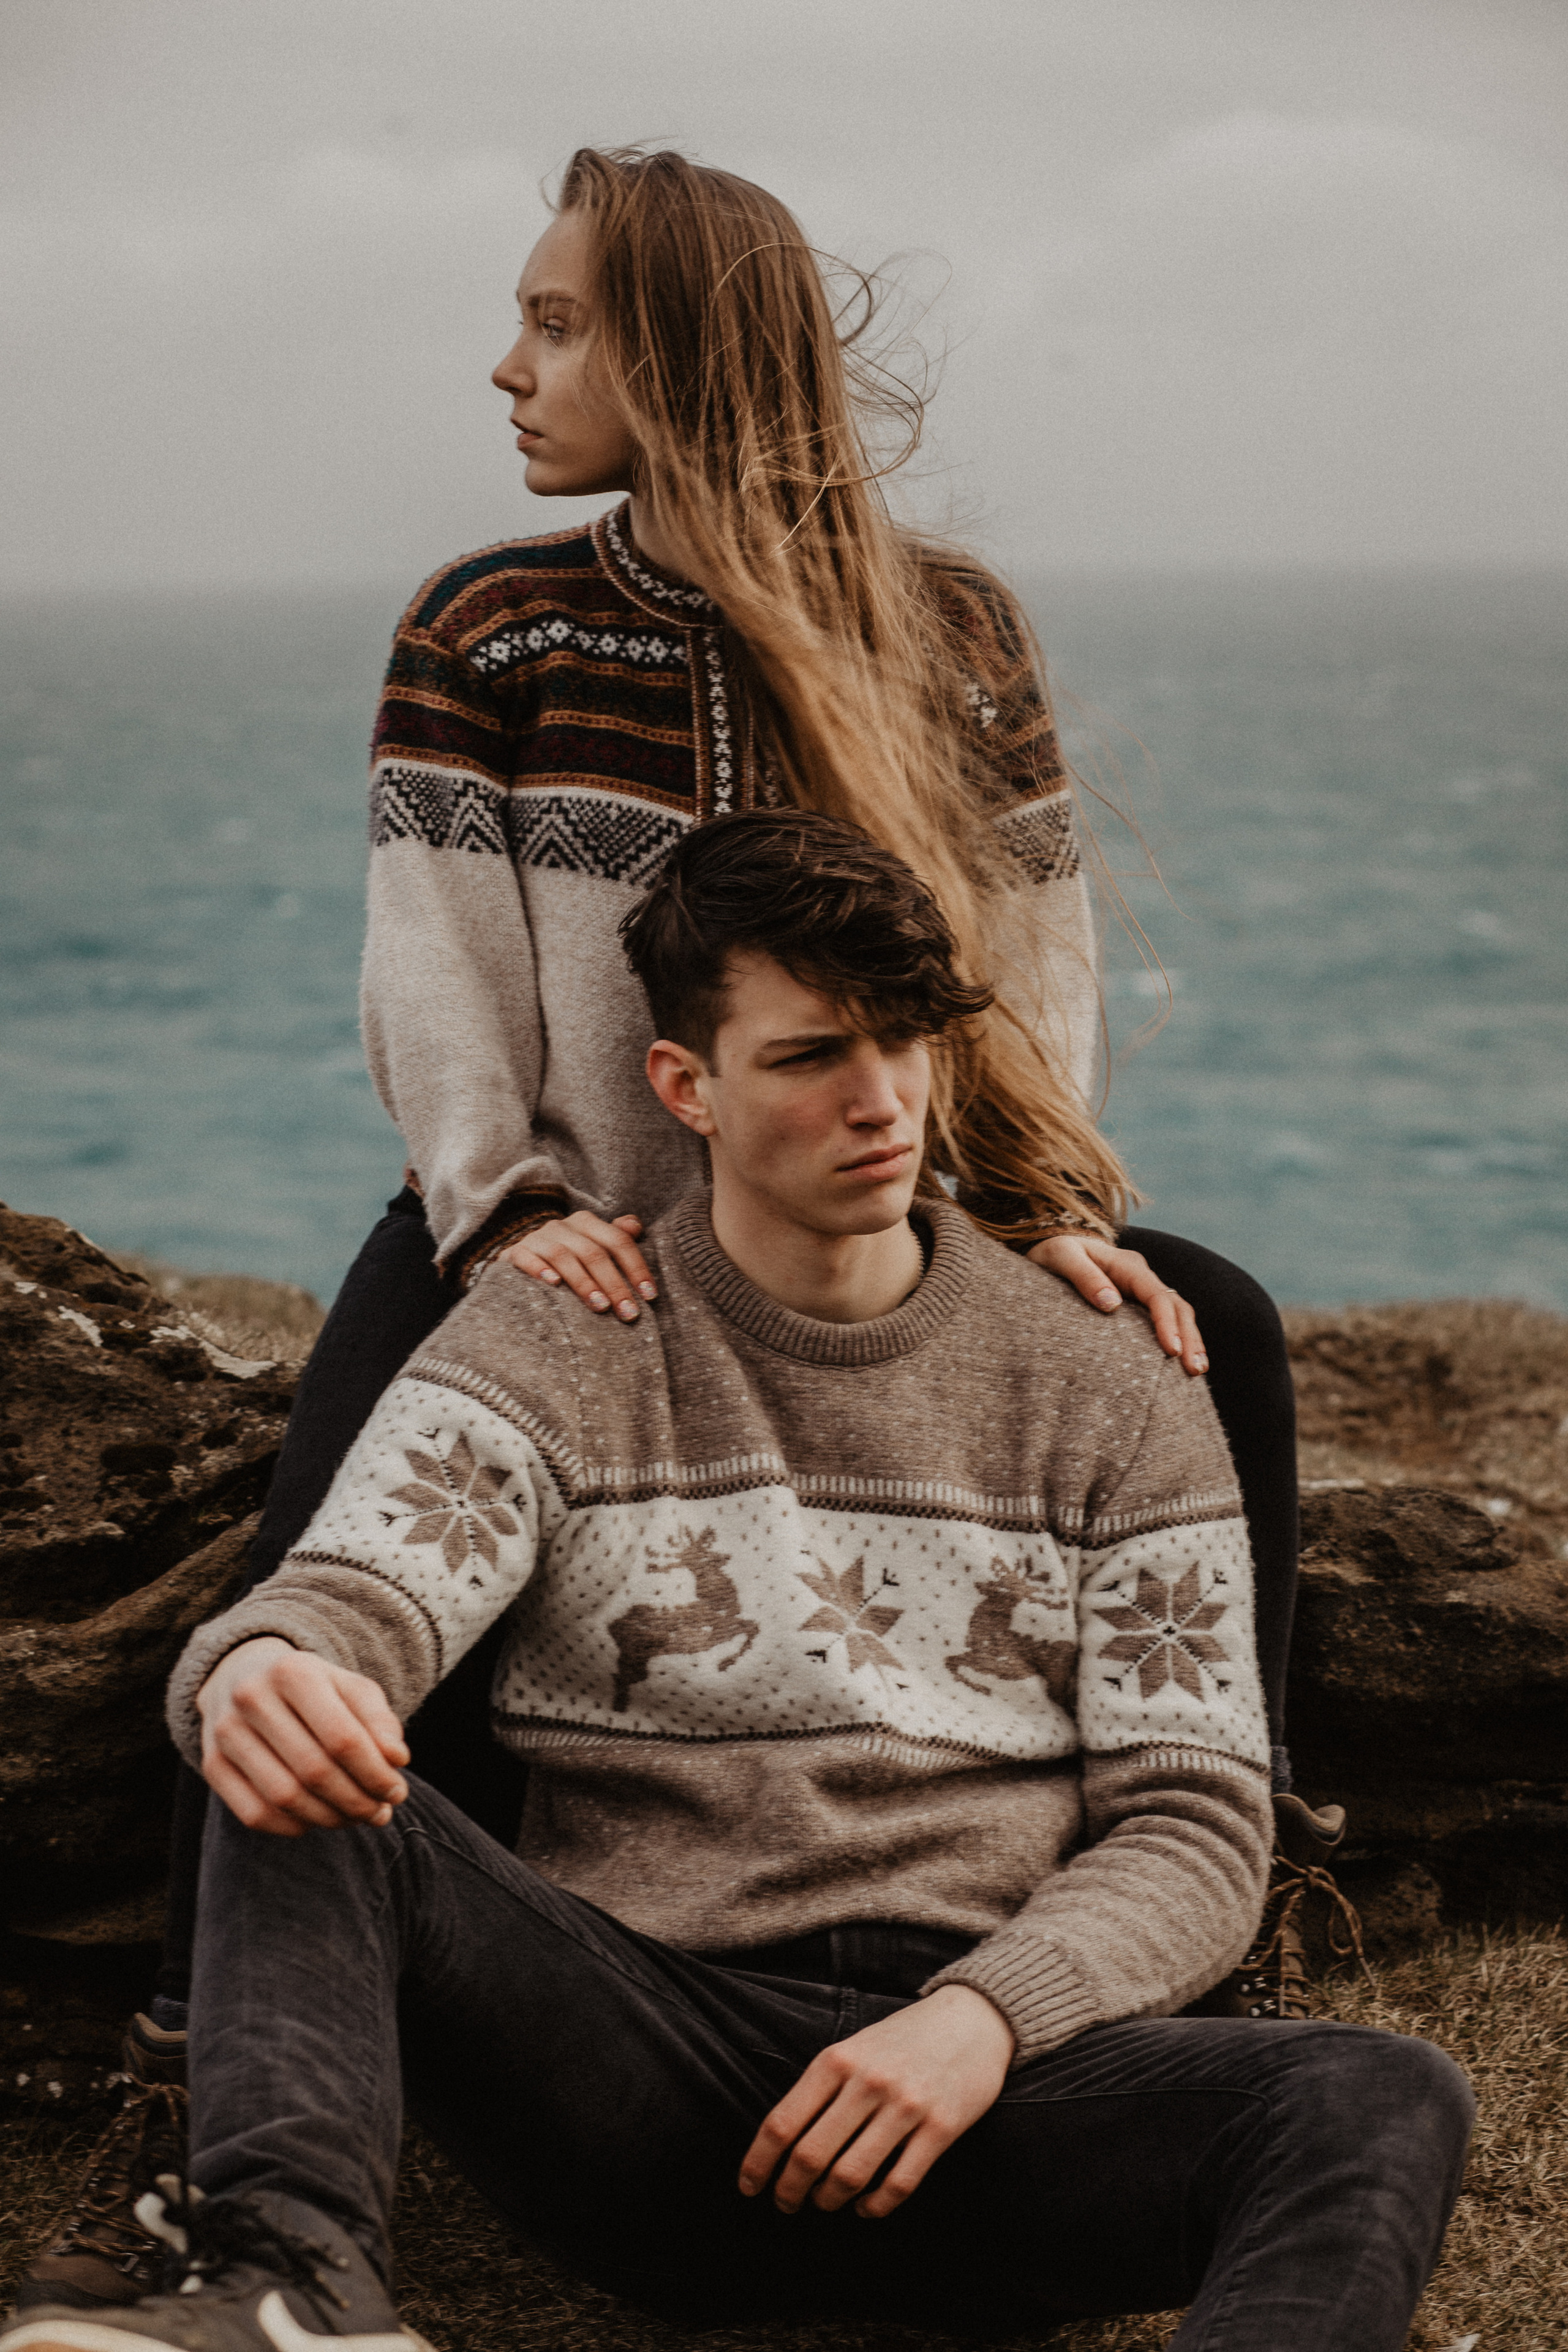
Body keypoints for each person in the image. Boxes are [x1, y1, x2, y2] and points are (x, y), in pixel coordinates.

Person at [13, 145, 1338, 2316]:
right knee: (309, 1586)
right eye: (524, 319)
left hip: (884, 1224)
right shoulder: (496, 620)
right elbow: (438, 969)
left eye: (557, 323)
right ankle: (202, 2120)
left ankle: (1194, 1916)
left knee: (1222, 1329)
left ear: (690, 357)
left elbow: (1018, 950)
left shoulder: (953, 627)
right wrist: (511, 1207)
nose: (509, 364)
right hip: (565, 1240)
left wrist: (1043, 1215)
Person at [4, 813, 1469, 2352]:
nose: (880, 1101)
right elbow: (354, 1594)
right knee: (292, 1740)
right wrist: (263, 1667)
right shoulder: (560, 1331)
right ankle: (288, 2285)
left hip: (1002, 2099)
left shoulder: (1111, 1376)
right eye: (809, 1056)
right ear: (682, 1086)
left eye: (906, 1042)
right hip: (652, 2080)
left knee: (1376, 2095)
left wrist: (981, 2020)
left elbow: (1192, 1819)